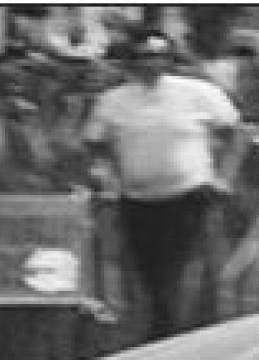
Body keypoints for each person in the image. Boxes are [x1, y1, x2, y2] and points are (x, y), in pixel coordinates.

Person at [83, 29, 241, 342]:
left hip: (189, 196)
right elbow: (95, 142)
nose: (152, 63)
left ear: (169, 59)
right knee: (148, 274)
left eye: (158, 56)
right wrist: (106, 176)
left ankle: (174, 335)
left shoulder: (198, 92)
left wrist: (225, 175)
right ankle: (161, 334)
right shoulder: (112, 101)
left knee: (178, 271)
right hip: (137, 200)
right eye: (144, 56)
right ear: (132, 61)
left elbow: (236, 132)